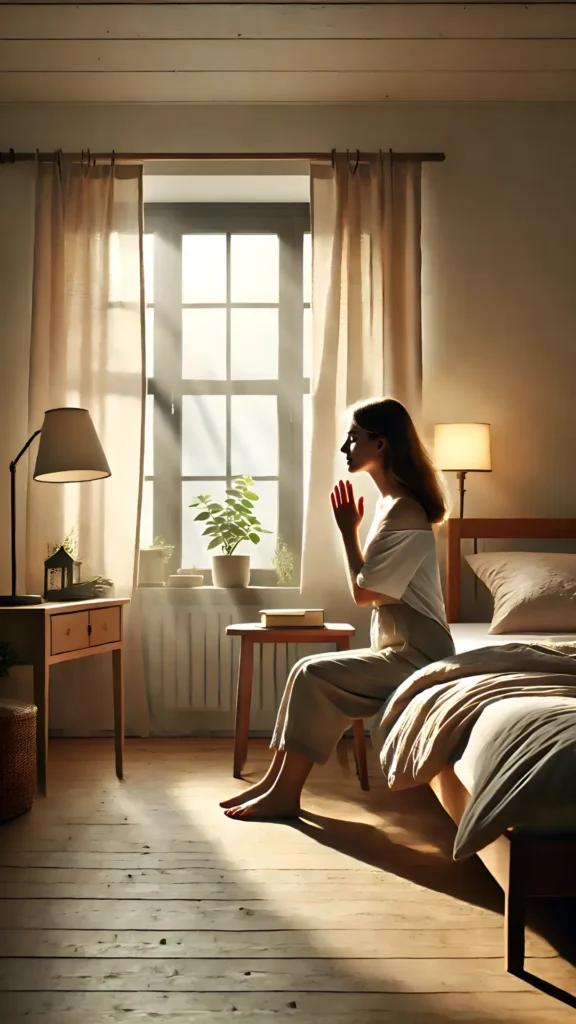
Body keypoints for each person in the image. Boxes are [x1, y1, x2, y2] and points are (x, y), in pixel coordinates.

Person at [221, 397, 455, 821]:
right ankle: (276, 782)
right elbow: (373, 589)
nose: (345, 448)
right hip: (401, 648)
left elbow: (363, 593)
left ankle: (285, 794)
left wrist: (348, 532)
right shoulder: (391, 507)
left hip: (419, 654)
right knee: (304, 671)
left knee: (314, 673)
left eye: (353, 439)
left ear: (380, 444)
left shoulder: (405, 512)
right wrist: (354, 531)